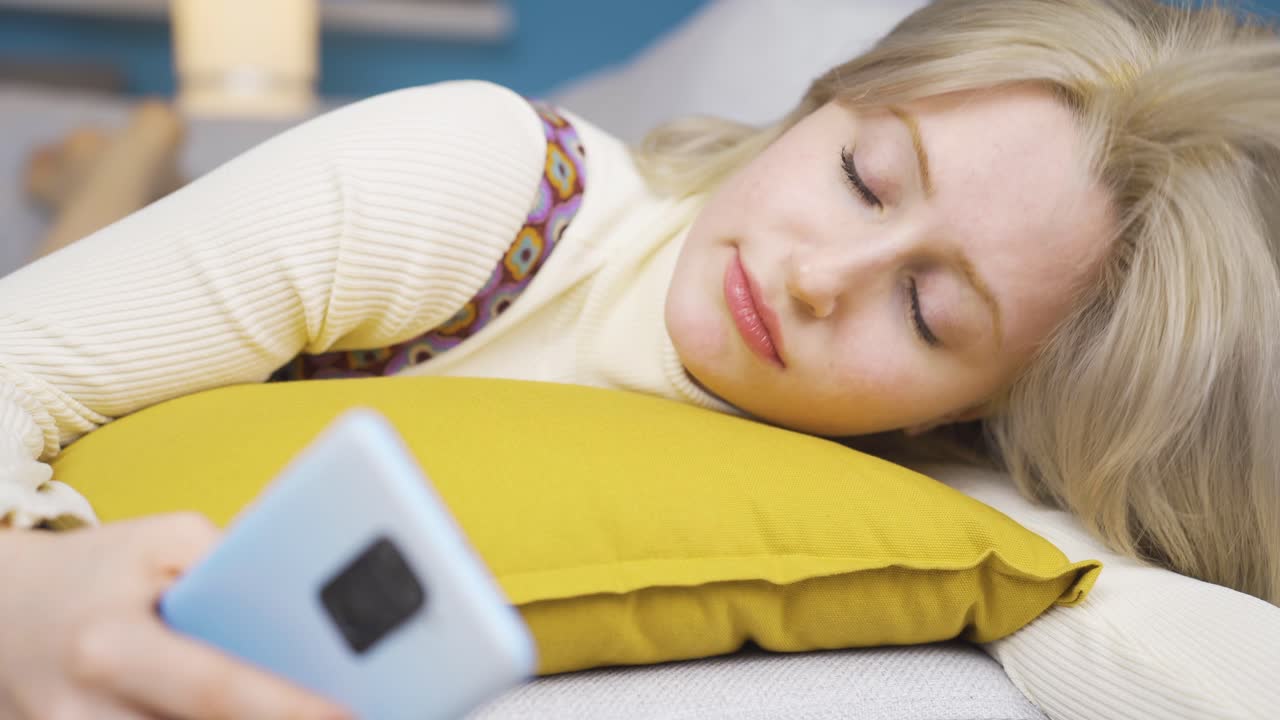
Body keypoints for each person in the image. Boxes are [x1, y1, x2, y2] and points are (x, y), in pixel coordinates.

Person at [1, 0, 1277, 716]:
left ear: (991, 406)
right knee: (92, 227)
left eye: (929, 316)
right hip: (276, 270)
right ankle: (113, 162)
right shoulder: (476, 180)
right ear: (816, 101)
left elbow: (1162, 629)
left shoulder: (921, 485)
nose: (812, 276)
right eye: (858, 175)